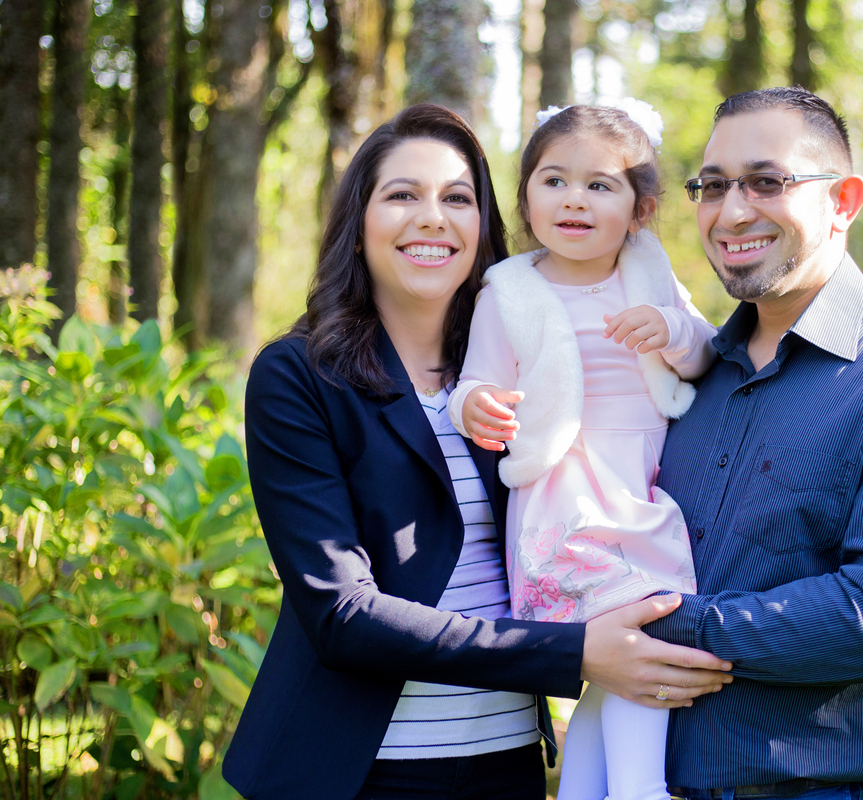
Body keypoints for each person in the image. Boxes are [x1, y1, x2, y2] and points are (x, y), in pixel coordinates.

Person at [221, 104, 732, 800]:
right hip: (362, 771)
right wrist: (575, 653)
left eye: (457, 198)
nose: (433, 219)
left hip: (505, 764)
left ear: (484, 224)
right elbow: (341, 615)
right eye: (403, 195)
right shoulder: (300, 376)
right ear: (359, 222)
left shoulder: (519, 357)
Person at [641, 87, 863, 800]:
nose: (731, 212)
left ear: (844, 201)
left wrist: (661, 625)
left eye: (766, 181)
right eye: (713, 186)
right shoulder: (691, 376)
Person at [448, 101, 718, 800]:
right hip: (564, 497)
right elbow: (475, 378)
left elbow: (704, 352)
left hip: (642, 487)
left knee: (616, 665)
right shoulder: (509, 290)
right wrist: (476, 404)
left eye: (600, 185)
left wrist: (670, 328)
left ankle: (585, 790)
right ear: (525, 199)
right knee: (635, 641)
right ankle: (639, 788)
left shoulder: (649, 273)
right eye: (554, 181)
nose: (574, 199)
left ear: (640, 210)